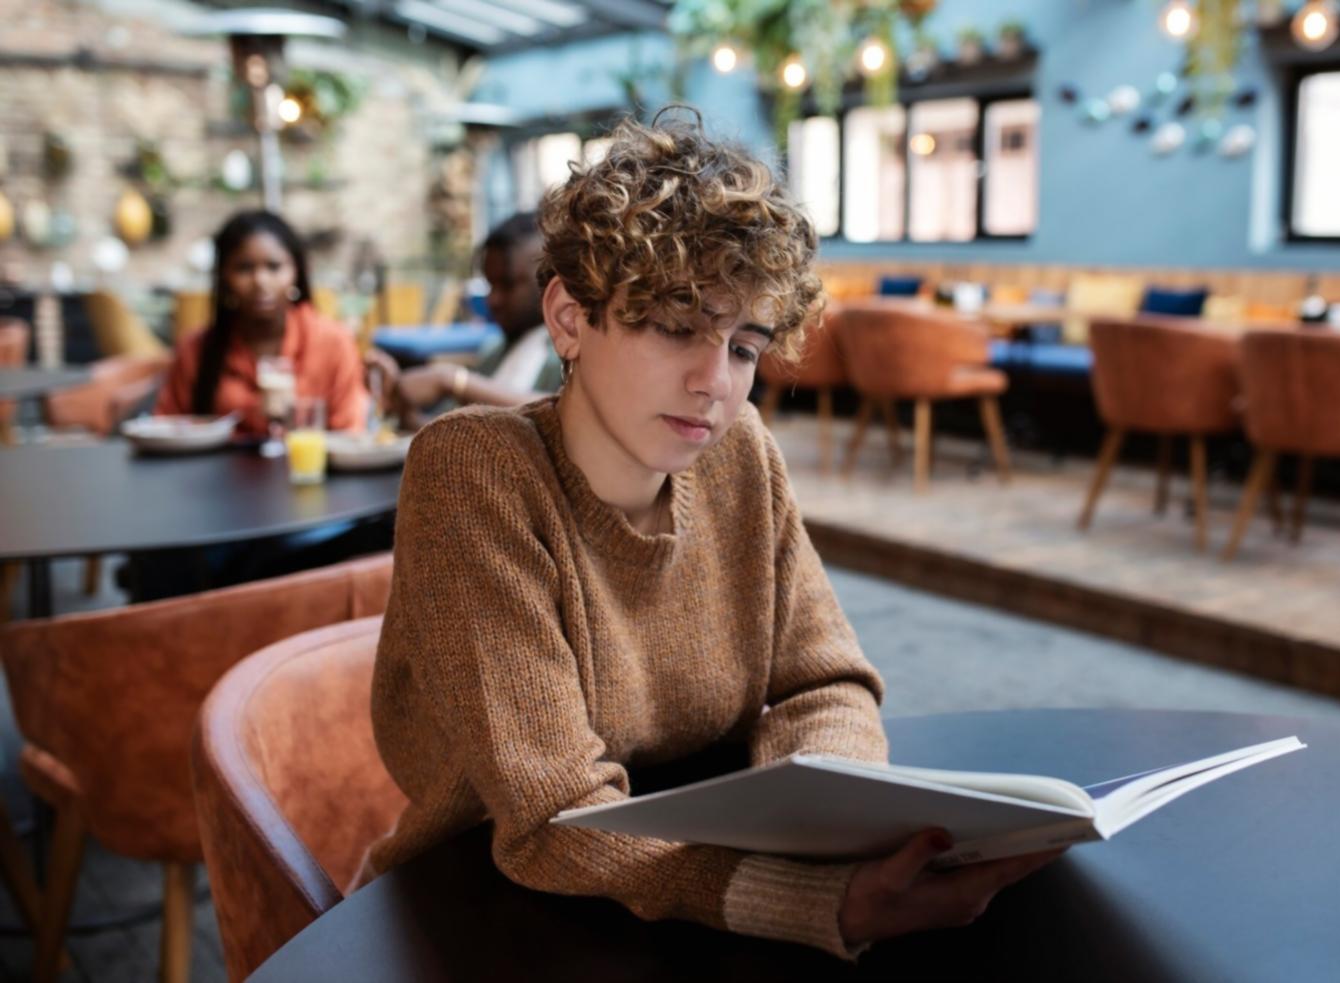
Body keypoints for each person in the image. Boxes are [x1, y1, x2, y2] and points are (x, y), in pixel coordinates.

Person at [360, 109, 1061, 959]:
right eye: (676, 326)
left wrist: (835, 822)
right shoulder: (475, 473)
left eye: (744, 344)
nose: (714, 383)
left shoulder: (741, 458)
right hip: (490, 912)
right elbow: (552, 816)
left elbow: (825, 683)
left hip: (708, 887)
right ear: (571, 316)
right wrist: (817, 897)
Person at [157, 210, 367, 435]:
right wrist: (249, 416)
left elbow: (349, 431)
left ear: (296, 272)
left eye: (274, 267)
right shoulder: (196, 349)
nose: (260, 281)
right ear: (224, 277)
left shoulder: (333, 342)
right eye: (244, 268)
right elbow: (166, 429)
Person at [381, 212, 561, 426]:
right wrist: (401, 404)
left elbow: (558, 413)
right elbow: (448, 438)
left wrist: (454, 381)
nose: (493, 300)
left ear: (549, 282)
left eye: (507, 284)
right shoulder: (493, 352)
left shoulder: (566, 354)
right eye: (490, 285)